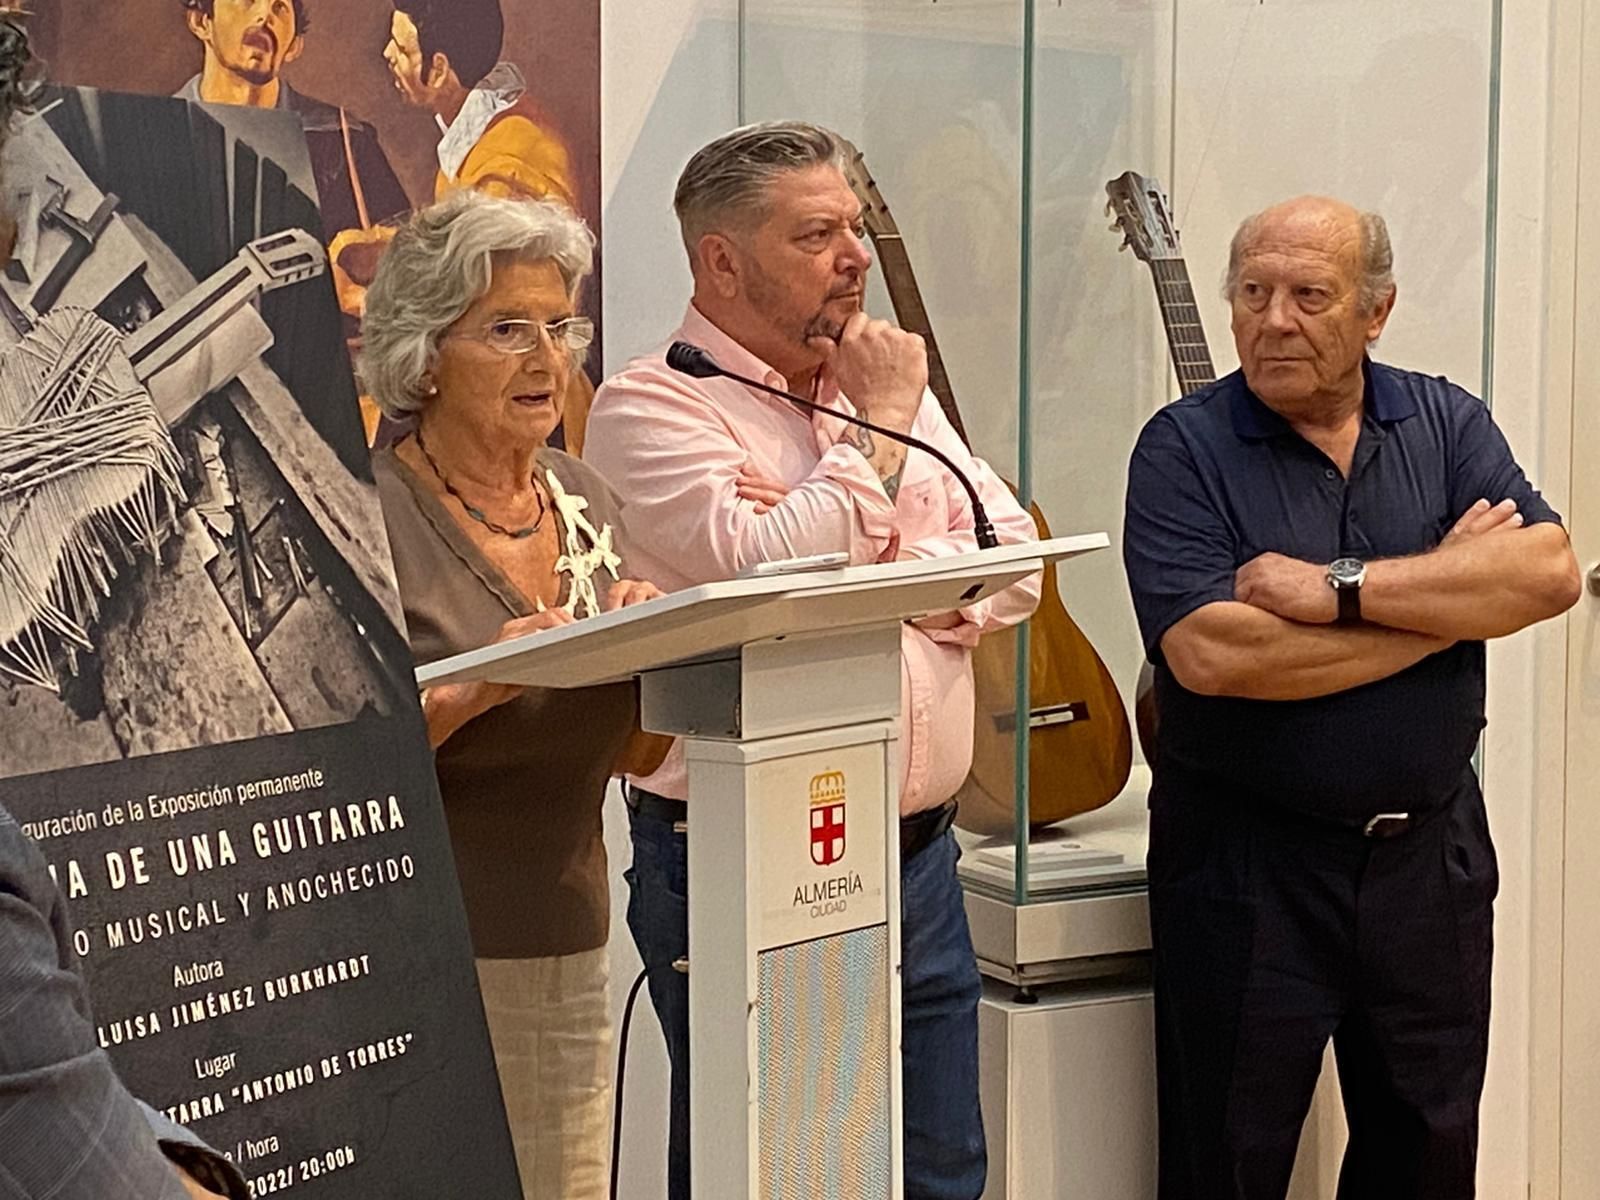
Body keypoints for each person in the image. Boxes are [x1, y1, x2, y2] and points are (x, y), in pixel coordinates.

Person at [584, 121, 1041, 1200]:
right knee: (778, 1171)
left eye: (855, 228)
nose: (857, 256)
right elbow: (764, 580)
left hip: (922, 855)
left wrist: (865, 559)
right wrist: (878, 441)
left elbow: (1013, 562)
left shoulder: (873, 379)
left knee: (937, 1169)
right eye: (819, 233)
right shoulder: (653, 403)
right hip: (744, 852)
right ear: (722, 262)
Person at [1121, 195, 1582, 1199]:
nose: (1272, 319)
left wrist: (1338, 590)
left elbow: (1547, 572)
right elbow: (1213, 655)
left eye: (1307, 295)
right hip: (1245, 869)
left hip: (1431, 866)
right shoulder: (1182, 449)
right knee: (1225, 1163)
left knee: (1426, 1155)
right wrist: (1449, 603)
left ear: (1375, 312)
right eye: (1251, 292)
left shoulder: (1444, 418)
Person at [361, 189, 666, 1200]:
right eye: (507, 328)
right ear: (425, 353)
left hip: (567, 951)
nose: (548, 357)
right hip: (410, 964)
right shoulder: (365, 517)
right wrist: (475, 687)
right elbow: (332, 777)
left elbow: (640, 759)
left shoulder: (588, 500)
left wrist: (654, 653)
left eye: (560, 324)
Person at [177, 0, 411, 243]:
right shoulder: (158, 141)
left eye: (279, 7)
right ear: (201, 22)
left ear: (294, 47)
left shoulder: (343, 140)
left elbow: (406, 257)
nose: (265, 14)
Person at [382, 0, 575, 208]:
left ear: (439, 70)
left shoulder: (500, 174)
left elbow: (463, 238)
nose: (387, 53)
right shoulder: (474, 135)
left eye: (402, 49)